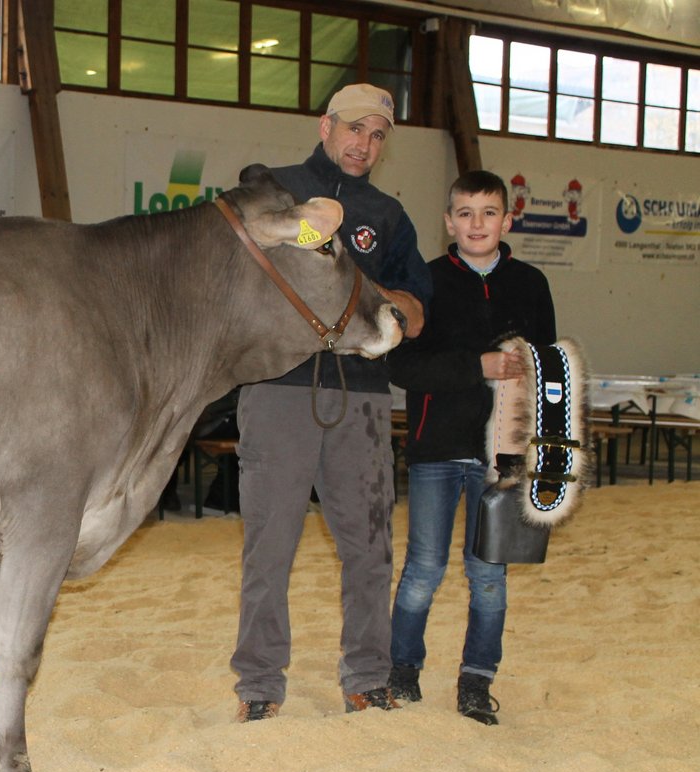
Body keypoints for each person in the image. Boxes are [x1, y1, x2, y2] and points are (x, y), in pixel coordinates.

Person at [232, 84, 430, 722]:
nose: (364, 145)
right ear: (326, 127)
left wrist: (364, 297)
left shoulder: (390, 214)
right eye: (354, 130)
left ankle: (368, 677)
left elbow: (418, 312)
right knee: (270, 547)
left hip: (363, 395)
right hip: (276, 387)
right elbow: (237, 264)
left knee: (369, 547)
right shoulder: (273, 188)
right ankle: (259, 687)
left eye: (377, 136)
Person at [385, 170, 557, 726]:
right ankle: (403, 671)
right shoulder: (426, 282)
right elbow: (402, 366)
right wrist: (473, 367)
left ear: (507, 220)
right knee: (423, 569)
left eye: (488, 213)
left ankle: (476, 682)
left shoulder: (531, 283)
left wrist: (539, 452)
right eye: (464, 213)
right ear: (448, 221)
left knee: (489, 576)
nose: (476, 223)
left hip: (504, 458)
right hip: (437, 450)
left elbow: (547, 371)